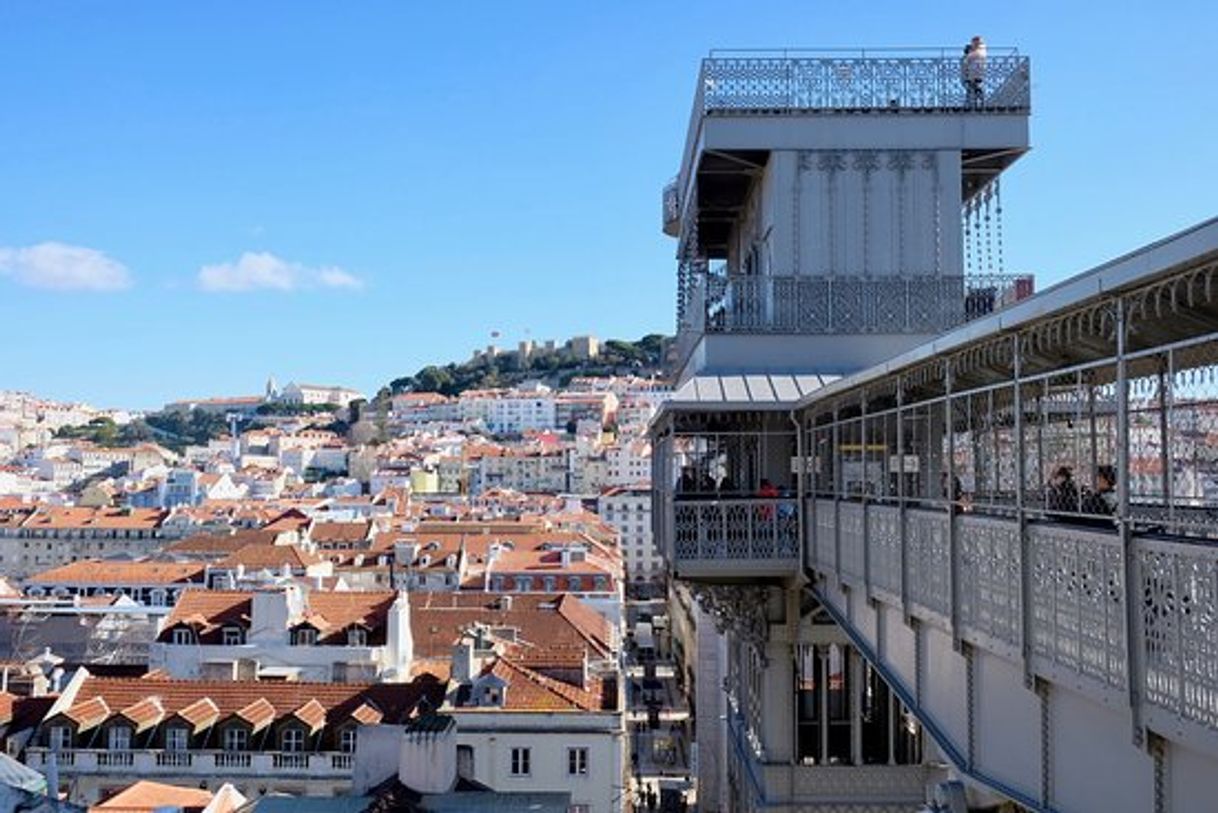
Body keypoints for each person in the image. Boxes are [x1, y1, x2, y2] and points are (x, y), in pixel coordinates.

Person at [962, 35, 987, 106]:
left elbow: (970, 58)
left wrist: (968, 55)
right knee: (973, 88)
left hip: (976, 72)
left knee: (976, 88)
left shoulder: (979, 50)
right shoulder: (978, 50)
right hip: (973, 73)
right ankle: (975, 102)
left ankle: (978, 102)